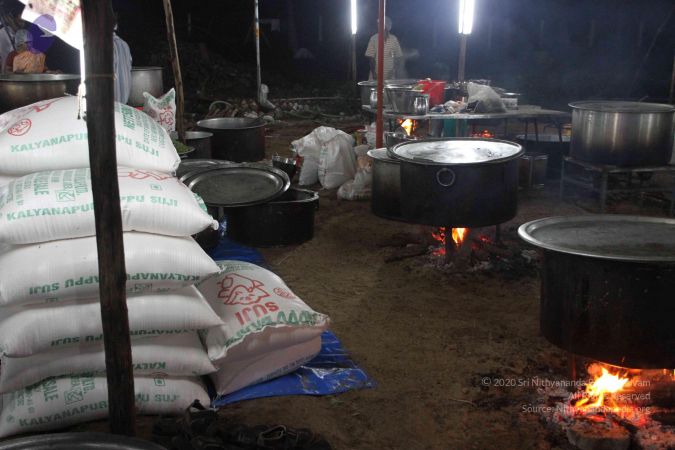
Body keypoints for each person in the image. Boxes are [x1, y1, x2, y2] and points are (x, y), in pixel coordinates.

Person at [365, 16, 402, 80]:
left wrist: (393, 70)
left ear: (388, 27)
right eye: (379, 25)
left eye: (383, 25)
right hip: (376, 75)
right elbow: (370, 57)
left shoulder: (394, 39)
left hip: (390, 76)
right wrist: (374, 73)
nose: (380, 27)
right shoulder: (373, 38)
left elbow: (398, 57)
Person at [112, 17, 132, 104]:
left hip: (113, 99)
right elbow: (129, 66)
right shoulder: (124, 44)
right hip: (125, 96)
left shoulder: (106, 45)